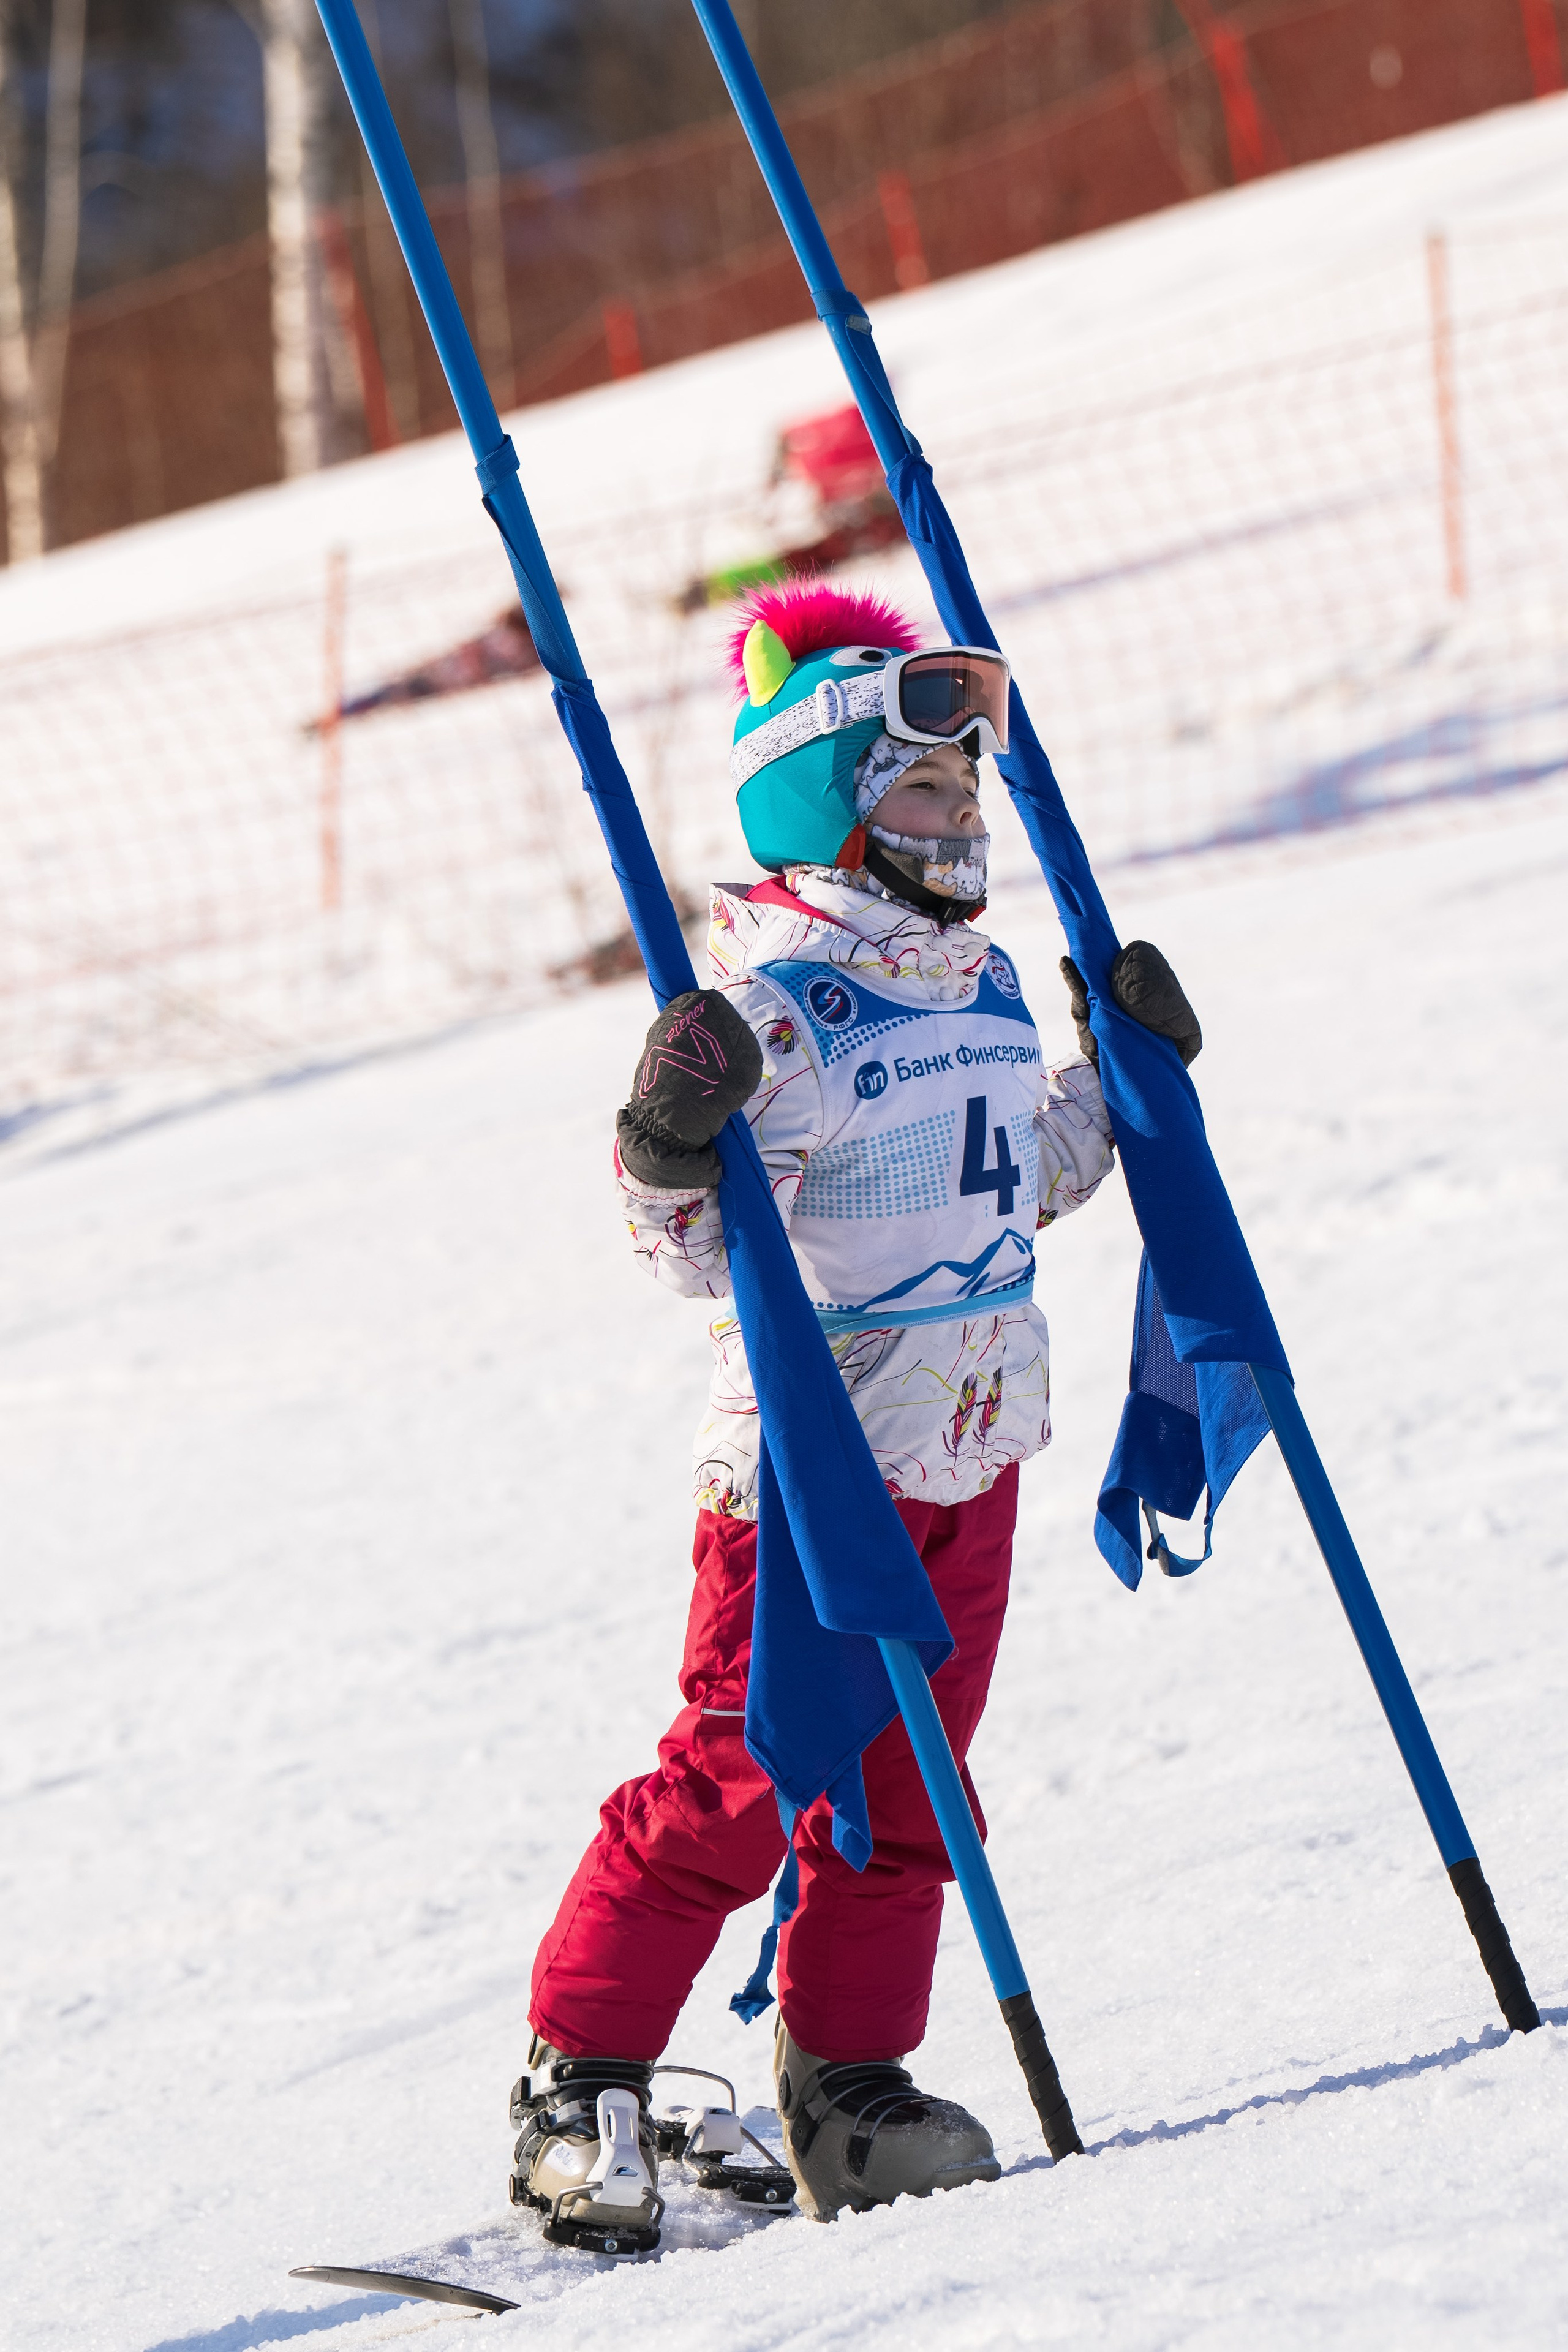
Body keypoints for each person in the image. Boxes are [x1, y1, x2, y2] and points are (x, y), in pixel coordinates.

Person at [509, 580, 1201, 2239]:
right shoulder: (776, 1011)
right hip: (816, 1479)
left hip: (973, 1456)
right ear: (834, 808)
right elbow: (691, 1254)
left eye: (969, 788)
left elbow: (1019, 1179)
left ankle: (850, 2084)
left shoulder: (980, 991)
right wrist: (671, 1138)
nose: (961, 815)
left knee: (914, 1793)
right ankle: (578, 2074)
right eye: (922, 788)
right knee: (742, 1779)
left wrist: (1121, 1080)